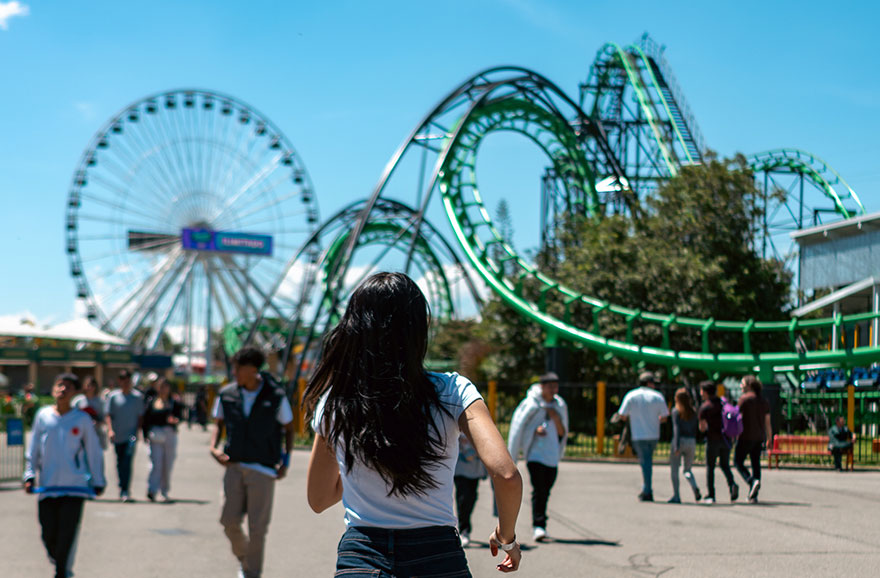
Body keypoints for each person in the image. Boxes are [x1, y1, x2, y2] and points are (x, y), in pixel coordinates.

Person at [306, 272, 523, 576]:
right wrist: (506, 535)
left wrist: (365, 466)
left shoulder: (337, 401)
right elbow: (507, 475)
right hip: (438, 556)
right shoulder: (453, 391)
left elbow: (318, 499)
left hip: (363, 556)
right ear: (419, 329)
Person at [210, 347, 294, 578]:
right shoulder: (226, 394)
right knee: (228, 521)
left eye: (238, 367)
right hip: (234, 465)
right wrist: (213, 447)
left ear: (253, 369)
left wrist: (285, 461)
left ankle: (251, 573)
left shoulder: (275, 396)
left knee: (258, 529)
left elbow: (289, 429)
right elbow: (218, 423)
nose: (234, 371)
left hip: (263, 469)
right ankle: (245, 557)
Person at [23, 373, 106, 578]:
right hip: (48, 486)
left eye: (68, 387)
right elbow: (33, 449)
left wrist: (98, 480)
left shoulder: (82, 419)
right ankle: (59, 561)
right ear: (53, 389)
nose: (63, 389)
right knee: (48, 533)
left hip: (74, 487)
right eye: (60, 385)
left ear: (75, 392)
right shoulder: (43, 416)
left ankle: (62, 571)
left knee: (67, 533)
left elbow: (93, 452)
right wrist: (29, 474)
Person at [507, 371, 568, 542]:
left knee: (546, 490)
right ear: (542, 387)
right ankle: (539, 525)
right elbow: (519, 428)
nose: (553, 390)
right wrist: (534, 431)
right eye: (549, 387)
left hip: (552, 455)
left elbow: (563, 433)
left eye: (555, 387)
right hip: (535, 456)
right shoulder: (531, 404)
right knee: (539, 489)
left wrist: (555, 418)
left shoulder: (560, 405)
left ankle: (541, 524)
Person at [618, 371, 669, 502]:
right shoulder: (657, 396)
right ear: (649, 383)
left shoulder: (631, 395)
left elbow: (622, 415)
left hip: (638, 434)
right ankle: (647, 489)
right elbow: (664, 417)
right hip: (653, 434)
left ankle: (647, 490)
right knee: (647, 460)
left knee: (644, 461)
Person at [105, 369, 145, 502]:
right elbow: (108, 415)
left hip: (131, 436)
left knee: (127, 462)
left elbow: (140, 416)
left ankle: (125, 490)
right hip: (118, 435)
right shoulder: (113, 396)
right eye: (123, 380)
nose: (126, 383)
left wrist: (138, 432)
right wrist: (110, 430)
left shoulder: (137, 397)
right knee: (119, 462)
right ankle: (121, 486)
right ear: (119, 381)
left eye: (128, 380)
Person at [143, 377, 183, 502]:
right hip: (156, 434)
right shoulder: (152, 401)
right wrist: (145, 434)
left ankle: (164, 490)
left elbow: (179, 415)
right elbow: (147, 419)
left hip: (170, 433)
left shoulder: (173, 402)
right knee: (156, 463)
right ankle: (152, 489)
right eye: (161, 386)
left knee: (168, 464)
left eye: (166, 386)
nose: (163, 389)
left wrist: (175, 420)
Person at [698, 381, 738, 504]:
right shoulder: (723, 403)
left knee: (710, 467)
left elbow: (702, 427)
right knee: (725, 465)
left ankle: (711, 494)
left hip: (712, 439)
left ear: (704, 392)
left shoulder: (705, 407)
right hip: (725, 439)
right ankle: (732, 484)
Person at [734, 375, 772, 502]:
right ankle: (754, 495)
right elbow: (767, 421)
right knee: (756, 464)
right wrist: (769, 437)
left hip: (745, 436)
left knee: (738, 462)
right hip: (759, 436)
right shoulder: (763, 401)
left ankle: (751, 482)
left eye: (742, 384)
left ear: (749, 385)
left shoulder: (744, 400)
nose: (741, 386)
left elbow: (736, 418)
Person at [668, 387, 701, 503]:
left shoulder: (676, 411)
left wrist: (676, 445)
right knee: (687, 470)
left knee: (674, 470)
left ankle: (676, 495)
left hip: (679, 441)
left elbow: (676, 428)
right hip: (691, 442)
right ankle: (694, 486)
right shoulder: (693, 411)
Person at [454, 432, 486, 547]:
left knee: (472, 498)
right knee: (463, 498)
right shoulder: (454, 424)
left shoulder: (476, 425)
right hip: (459, 469)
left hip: (474, 470)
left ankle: (465, 527)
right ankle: (464, 530)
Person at [73, 376, 108, 450]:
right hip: (81, 434)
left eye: (92, 385)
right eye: (88, 385)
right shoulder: (78, 401)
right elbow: (72, 417)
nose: (90, 388)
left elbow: (104, 418)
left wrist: (98, 422)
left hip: (96, 433)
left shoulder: (100, 401)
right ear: (84, 386)